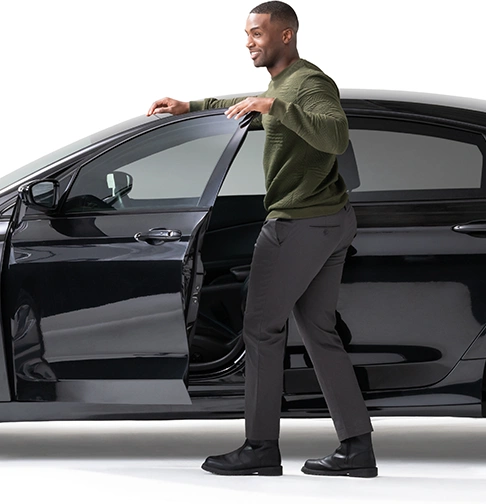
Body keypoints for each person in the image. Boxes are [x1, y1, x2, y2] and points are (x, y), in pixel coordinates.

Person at [146, 1, 376, 478]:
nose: (248, 41)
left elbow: (334, 134)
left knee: (261, 329)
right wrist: (191, 106)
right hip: (327, 219)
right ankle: (357, 448)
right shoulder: (281, 84)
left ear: (285, 35)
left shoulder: (310, 83)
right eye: (246, 33)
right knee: (319, 330)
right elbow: (249, 100)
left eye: (256, 32)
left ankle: (260, 447)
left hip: (299, 223)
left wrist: (277, 107)